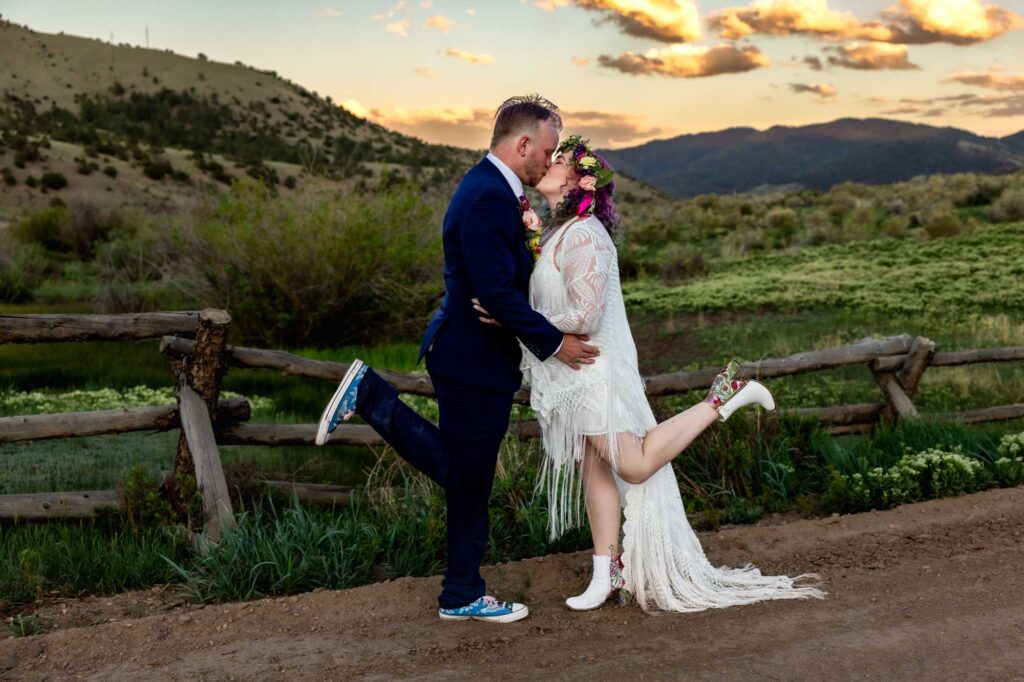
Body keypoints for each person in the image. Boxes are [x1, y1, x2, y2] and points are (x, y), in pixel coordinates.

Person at [475, 135, 827, 612]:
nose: (549, 162)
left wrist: (512, 317)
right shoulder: (559, 232)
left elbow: (585, 316)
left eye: (560, 159)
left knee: (634, 464)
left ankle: (722, 398)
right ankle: (607, 574)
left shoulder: (585, 234)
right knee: (593, 468)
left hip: (591, 371)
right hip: (569, 374)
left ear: (579, 181)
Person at [315, 95, 600, 623]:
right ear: (522, 144)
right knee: (468, 474)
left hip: (473, 354)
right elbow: (495, 291)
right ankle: (371, 395)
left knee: (468, 476)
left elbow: (499, 288)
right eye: (547, 149)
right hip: (472, 356)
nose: (549, 160)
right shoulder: (490, 195)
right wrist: (556, 343)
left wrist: (514, 304)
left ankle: (461, 591)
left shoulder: (491, 188)